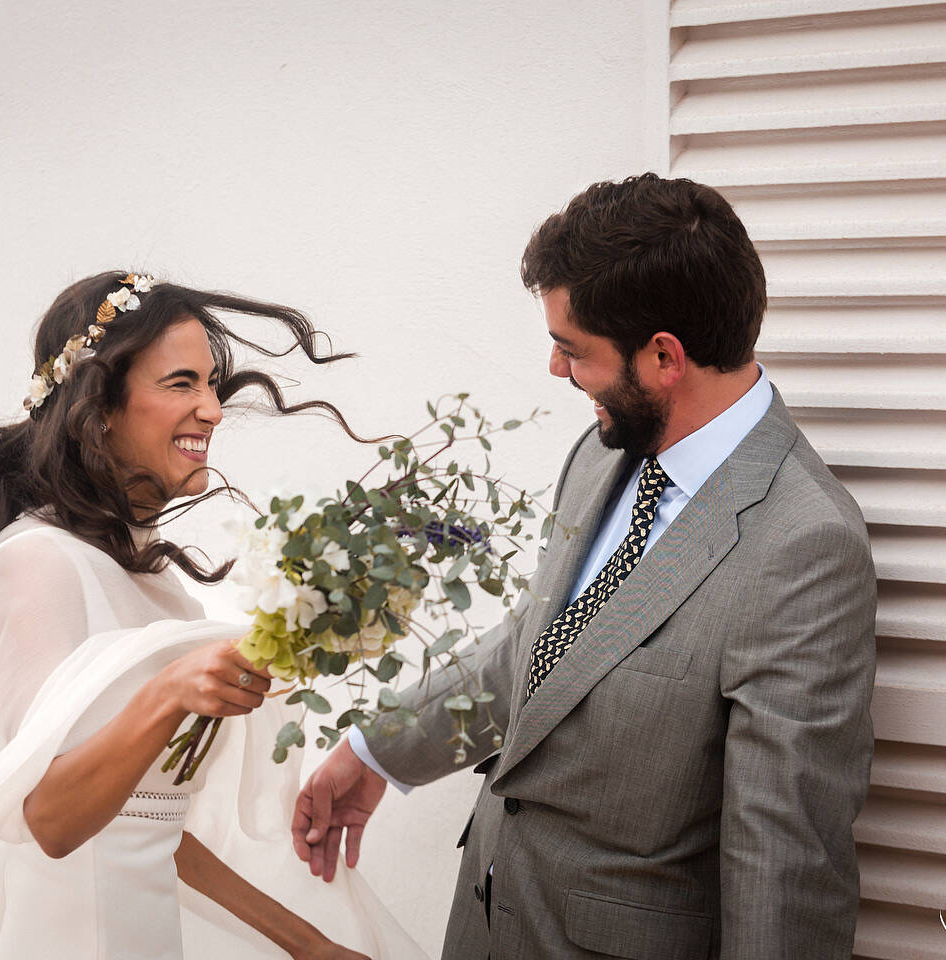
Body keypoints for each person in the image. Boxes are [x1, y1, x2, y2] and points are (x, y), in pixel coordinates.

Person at [292, 175, 878, 959]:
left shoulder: (804, 546)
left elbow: (784, 867)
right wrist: (376, 751)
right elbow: (542, 646)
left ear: (664, 356)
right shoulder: (605, 454)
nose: (555, 370)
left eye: (574, 350)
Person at [0, 272, 424, 960]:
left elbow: (151, 831)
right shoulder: (38, 563)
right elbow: (51, 819)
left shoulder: (159, 588)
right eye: (182, 383)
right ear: (100, 408)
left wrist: (309, 944)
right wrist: (170, 691)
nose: (213, 410)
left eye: (212, 384)